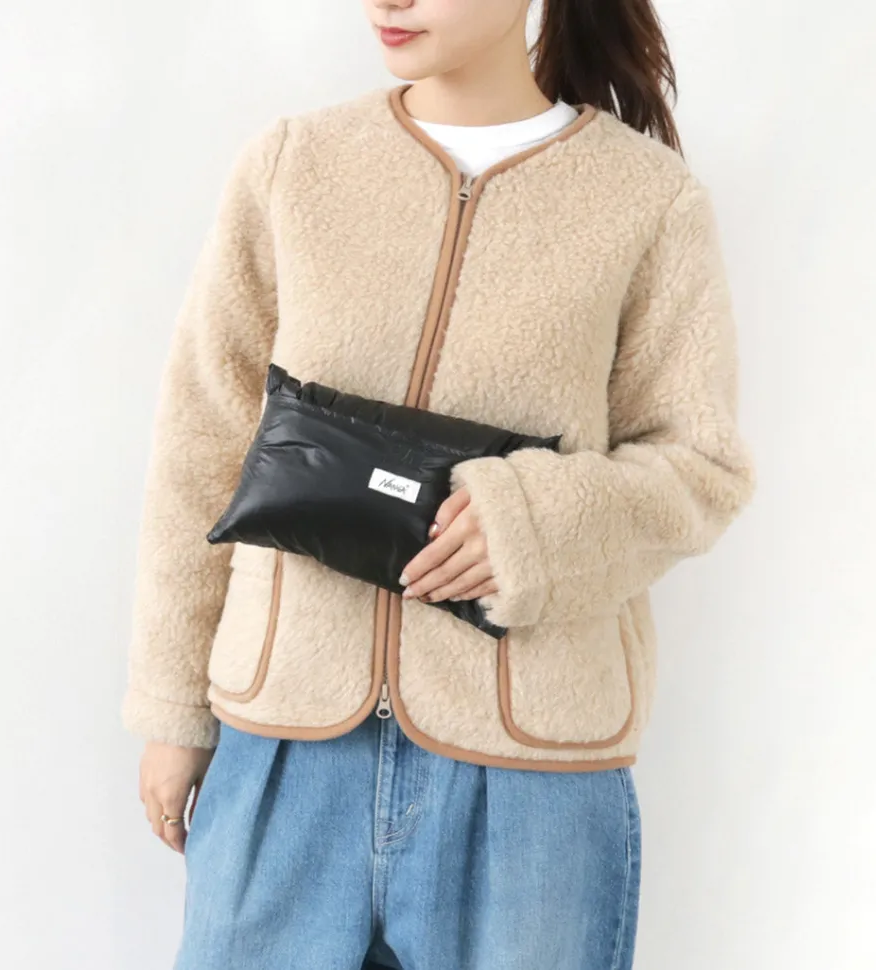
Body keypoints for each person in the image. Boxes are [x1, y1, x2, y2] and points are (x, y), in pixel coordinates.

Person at [122, 1, 756, 967]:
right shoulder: (295, 165)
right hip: (284, 744)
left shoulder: (647, 200)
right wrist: (174, 710)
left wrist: (532, 524)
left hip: (530, 776)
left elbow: (700, 466)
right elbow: (203, 444)